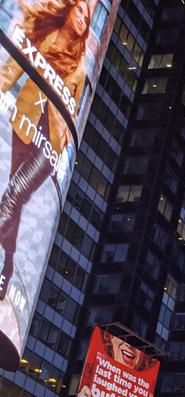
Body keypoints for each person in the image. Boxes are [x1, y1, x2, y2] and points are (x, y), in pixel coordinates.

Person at [0, 0, 91, 300]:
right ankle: (7, 266)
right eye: (79, 11)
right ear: (68, 11)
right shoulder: (44, 32)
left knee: (14, 194)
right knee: (13, 201)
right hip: (24, 123)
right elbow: (15, 65)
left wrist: (62, 142)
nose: (81, 19)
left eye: (87, 17)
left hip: (48, 143)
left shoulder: (79, 67)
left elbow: (73, 114)